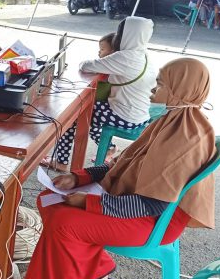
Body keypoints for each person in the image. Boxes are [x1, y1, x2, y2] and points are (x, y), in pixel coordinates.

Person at [10, 58, 217, 279]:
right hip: (138, 206)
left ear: (179, 91)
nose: (152, 90)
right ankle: (97, 271)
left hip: (154, 221)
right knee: (50, 198)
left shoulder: (184, 139)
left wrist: (89, 203)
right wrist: (79, 178)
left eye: (160, 85)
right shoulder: (171, 122)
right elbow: (122, 166)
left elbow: (153, 204)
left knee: (65, 224)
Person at [42, 17, 157, 171]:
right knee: (91, 110)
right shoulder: (144, 55)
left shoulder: (126, 57)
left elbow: (86, 66)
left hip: (125, 116)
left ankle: (61, 162)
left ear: (126, 35)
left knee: (72, 116)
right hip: (140, 115)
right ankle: (109, 148)